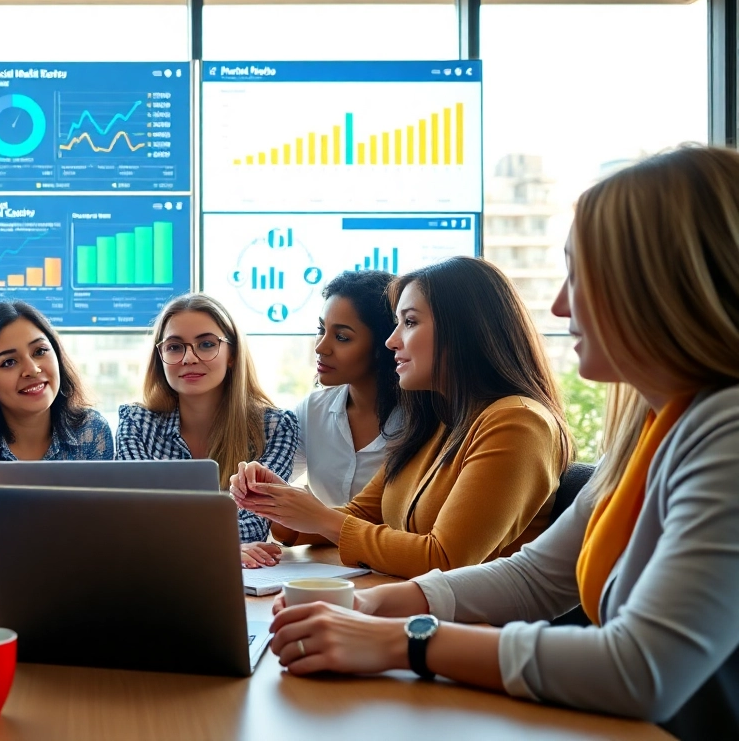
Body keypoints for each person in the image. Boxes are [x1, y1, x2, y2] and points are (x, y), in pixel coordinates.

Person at [263, 146, 739, 740]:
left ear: (663, 287)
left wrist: (402, 639)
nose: (562, 305)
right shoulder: (653, 428)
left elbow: (639, 669)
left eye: (583, 275)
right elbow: (536, 577)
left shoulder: (728, 433)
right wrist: (382, 605)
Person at [233, 257, 571, 579]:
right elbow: (361, 515)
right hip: (408, 609)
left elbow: (444, 558)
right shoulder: (439, 420)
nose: (392, 341)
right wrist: (277, 502)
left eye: (408, 322)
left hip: (472, 630)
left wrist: (320, 517)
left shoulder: (518, 422)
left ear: (463, 330)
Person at [116, 293, 300, 569]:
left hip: (240, 576)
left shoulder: (275, 427)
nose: (189, 358)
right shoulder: (135, 423)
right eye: (175, 347)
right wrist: (216, 547)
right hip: (154, 570)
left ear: (232, 355)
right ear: (161, 356)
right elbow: (134, 519)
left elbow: (255, 521)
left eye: (206, 344)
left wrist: (181, 536)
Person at [0, 301, 113, 571]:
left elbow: (104, 523)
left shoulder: (91, 430)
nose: (33, 369)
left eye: (40, 351)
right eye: (9, 362)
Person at [290, 270, 401, 507]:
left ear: (385, 344)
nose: (321, 347)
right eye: (321, 330)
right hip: (321, 545)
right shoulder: (311, 410)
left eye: (341, 337)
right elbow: (272, 480)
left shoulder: (422, 421)